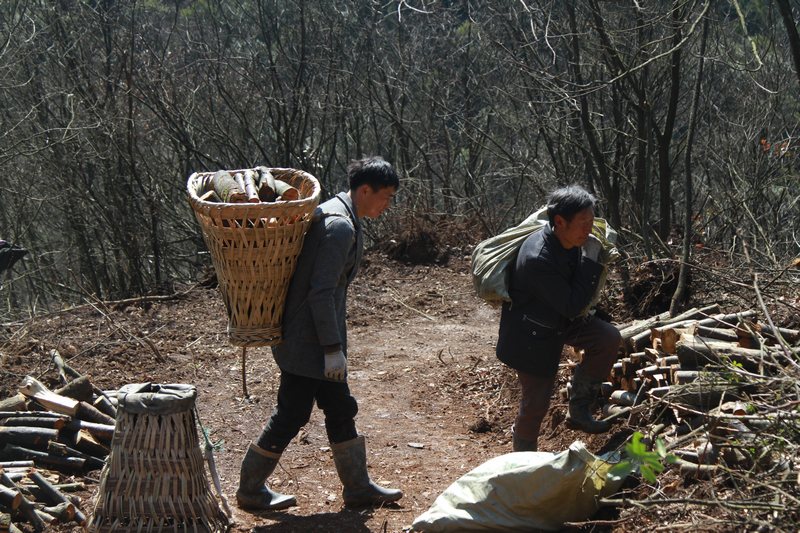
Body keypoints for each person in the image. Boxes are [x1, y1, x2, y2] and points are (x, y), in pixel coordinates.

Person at [236, 156, 403, 511]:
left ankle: (358, 488)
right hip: (306, 341)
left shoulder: (339, 213)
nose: (388, 204)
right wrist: (331, 347)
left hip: (315, 338)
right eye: (385, 196)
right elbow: (321, 292)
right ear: (364, 190)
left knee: (340, 408)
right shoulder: (339, 225)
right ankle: (250, 489)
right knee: (292, 414)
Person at [495, 184, 621, 452]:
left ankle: (579, 408)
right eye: (583, 223)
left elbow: (571, 302)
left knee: (608, 338)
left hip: (559, 320)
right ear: (559, 222)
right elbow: (572, 305)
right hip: (531, 335)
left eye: (591, 221)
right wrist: (591, 258)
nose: (589, 229)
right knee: (536, 402)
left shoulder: (570, 241)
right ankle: (523, 460)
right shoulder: (537, 258)